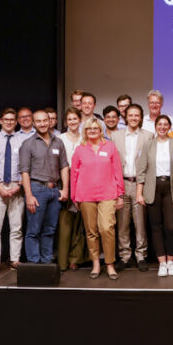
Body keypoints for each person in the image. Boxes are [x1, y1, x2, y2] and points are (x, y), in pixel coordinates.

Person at [71, 118, 125, 280]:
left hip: (108, 194)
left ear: (100, 130)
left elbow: (117, 171)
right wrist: (75, 197)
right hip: (85, 196)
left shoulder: (110, 147)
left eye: (95, 128)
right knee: (91, 231)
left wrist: (120, 194)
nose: (93, 131)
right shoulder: (80, 150)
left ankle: (109, 264)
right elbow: (74, 174)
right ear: (85, 131)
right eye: (89, 129)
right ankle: (95, 263)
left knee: (106, 228)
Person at [20, 109, 70, 265]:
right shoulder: (28, 144)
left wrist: (65, 189)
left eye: (45, 120)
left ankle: (46, 262)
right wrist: (28, 195)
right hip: (37, 189)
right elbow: (24, 171)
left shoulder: (58, 142)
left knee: (50, 230)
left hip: (54, 191)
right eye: (38, 121)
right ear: (34, 123)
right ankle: (34, 264)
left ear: (50, 121)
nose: (42, 124)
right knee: (33, 230)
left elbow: (64, 167)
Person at [0, 108, 28, 276]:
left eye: (12, 120)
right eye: (6, 119)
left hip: (17, 187)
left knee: (16, 227)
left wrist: (19, 185)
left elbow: (27, 165)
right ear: (0, 121)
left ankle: (14, 260)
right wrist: (0, 188)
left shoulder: (23, 140)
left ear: (16, 122)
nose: (9, 122)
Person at [137, 114, 173, 276]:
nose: (162, 127)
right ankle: (162, 262)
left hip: (171, 187)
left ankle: (171, 261)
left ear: (169, 127)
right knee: (156, 227)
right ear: (155, 127)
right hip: (152, 188)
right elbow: (141, 170)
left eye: (165, 124)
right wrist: (139, 193)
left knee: (171, 226)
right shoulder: (148, 145)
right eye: (159, 124)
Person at [111, 104, 152, 271]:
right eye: (131, 115)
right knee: (122, 223)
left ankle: (141, 255)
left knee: (140, 223)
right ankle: (125, 256)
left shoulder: (148, 136)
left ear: (141, 117)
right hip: (121, 183)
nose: (134, 118)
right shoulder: (115, 136)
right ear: (125, 117)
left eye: (137, 115)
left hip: (139, 184)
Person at [57, 108, 87, 271]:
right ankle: (62, 261)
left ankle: (75, 258)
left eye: (75, 119)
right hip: (65, 181)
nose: (73, 122)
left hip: (84, 182)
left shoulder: (85, 138)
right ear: (65, 122)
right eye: (69, 119)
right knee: (65, 222)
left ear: (80, 120)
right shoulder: (60, 139)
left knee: (80, 223)